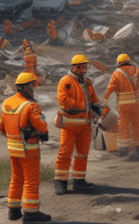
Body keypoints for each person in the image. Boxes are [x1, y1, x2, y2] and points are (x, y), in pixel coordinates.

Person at [0, 73, 51, 223]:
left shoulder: (7, 103)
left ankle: (14, 211)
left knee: (16, 178)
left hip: (13, 148)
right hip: (29, 149)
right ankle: (31, 213)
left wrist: (13, 138)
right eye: (32, 85)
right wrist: (44, 132)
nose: (33, 88)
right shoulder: (30, 106)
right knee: (31, 180)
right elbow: (41, 126)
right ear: (26, 87)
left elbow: (1, 127)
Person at [54, 54, 107, 195]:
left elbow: (93, 98)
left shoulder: (87, 82)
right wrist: (81, 105)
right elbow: (62, 99)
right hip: (69, 125)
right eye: (79, 66)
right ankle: (60, 181)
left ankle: (79, 181)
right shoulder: (66, 81)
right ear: (72, 67)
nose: (82, 68)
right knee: (65, 153)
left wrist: (98, 107)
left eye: (84, 66)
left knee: (82, 154)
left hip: (85, 125)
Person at [102, 54, 139, 160]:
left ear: (118, 63)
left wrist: (105, 99)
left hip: (123, 105)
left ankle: (123, 148)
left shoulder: (117, 73)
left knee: (123, 125)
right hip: (136, 104)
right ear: (129, 61)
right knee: (136, 125)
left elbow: (111, 87)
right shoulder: (136, 71)